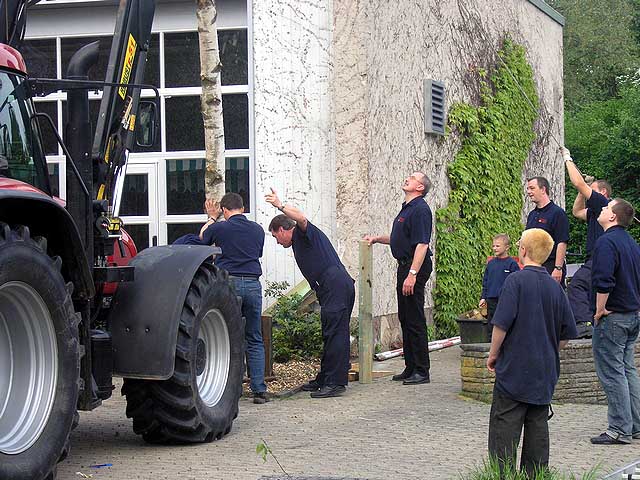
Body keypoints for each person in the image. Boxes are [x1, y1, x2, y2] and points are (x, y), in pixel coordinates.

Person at [487, 228, 577, 475]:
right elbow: (566, 334)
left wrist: (493, 354)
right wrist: (549, 350)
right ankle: (536, 474)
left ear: (523, 251)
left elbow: (501, 325)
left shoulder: (515, 281)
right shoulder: (555, 287)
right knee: (537, 424)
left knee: (504, 426)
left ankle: (501, 473)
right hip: (544, 369)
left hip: (514, 368)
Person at [266, 188, 354, 399]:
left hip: (335, 285)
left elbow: (302, 218)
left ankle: (335, 383)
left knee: (335, 333)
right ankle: (326, 378)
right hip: (331, 287)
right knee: (330, 332)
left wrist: (280, 205)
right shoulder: (298, 242)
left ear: (282, 229)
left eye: (275, 236)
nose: (277, 242)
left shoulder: (304, 233)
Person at [363, 172, 433, 385]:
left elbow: (422, 244)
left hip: (414, 266)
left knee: (415, 319)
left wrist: (412, 274)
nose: (407, 179)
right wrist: (377, 238)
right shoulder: (407, 209)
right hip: (404, 265)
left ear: (420, 188)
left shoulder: (420, 210)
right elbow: (399, 239)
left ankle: (422, 370)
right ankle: (410, 367)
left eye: (412, 178)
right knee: (405, 317)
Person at [200, 193, 269, 404]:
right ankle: (259, 390)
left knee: (229, 337)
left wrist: (212, 218)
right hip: (252, 284)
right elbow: (258, 252)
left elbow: (201, 240)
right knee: (254, 336)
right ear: (243, 207)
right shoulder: (257, 229)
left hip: (229, 283)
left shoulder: (220, 227)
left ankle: (234, 389)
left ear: (224, 210)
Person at [589, 198, 640, 445]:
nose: (601, 208)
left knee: (612, 372)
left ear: (613, 217)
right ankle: (635, 425)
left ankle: (619, 428)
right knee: (628, 369)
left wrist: (599, 309)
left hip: (613, 316)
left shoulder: (606, 242)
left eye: (607, 207)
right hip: (632, 315)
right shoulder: (631, 243)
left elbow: (604, 279)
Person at [562, 147, 612, 337]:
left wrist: (567, 158)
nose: (589, 192)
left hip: (600, 257)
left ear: (603, 192)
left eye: (592, 190)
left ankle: (584, 323)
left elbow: (577, 182)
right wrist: (585, 189)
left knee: (577, 285)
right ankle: (595, 325)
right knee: (594, 291)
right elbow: (576, 211)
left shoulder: (602, 203)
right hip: (594, 256)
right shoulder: (596, 211)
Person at [525, 177, 569, 285]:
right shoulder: (532, 215)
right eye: (528, 189)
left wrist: (558, 268)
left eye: (532, 188)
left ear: (543, 189)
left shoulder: (557, 213)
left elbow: (562, 242)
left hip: (550, 266)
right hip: (532, 267)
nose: (528, 192)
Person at [479, 234, 520, 322]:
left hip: (506, 301)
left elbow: (517, 284)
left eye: (497, 246)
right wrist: (483, 297)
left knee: (505, 324)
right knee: (491, 325)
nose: (494, 248)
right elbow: (485, 282)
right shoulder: (491, 264)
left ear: (507, 247)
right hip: (491, 301)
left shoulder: (512, 264)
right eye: (493, 246)